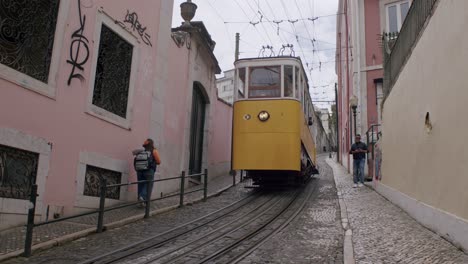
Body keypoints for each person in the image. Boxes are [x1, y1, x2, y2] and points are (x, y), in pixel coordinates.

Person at [133, 139, 161, 206]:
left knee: (140, 185)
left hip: (139, 171)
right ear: (152, 144)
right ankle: (142, 197)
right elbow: (159, 161)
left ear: (145, 145)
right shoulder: (154, 151)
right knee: (148, 185)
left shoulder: (140, 152)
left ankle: (140, 202)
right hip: (149, 170)